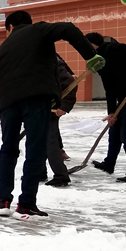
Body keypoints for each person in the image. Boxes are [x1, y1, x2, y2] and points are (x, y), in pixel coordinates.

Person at [0, 11, 102, 217]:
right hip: (35, 99)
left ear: (9, 27)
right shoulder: (37, 30)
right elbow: (68, 28)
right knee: (35, 150)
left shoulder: (2, 49)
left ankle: (3, 200)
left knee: (8, 150)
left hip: (7, 103)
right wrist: (90, 55)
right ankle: (26, 204)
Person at [85, 33, 126, 183]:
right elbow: (108, 88)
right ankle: (109, 164)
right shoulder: (98, 60)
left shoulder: (113, 48)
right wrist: (111, 112)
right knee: (114, 132)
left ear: (92, 44)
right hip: (122, 99)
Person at [44, 56, 77, 187]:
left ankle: (61, 176)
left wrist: (64, 106)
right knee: (36, 141)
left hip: (50, 108)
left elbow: (70, 82)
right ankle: (39, 172)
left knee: (50, 143)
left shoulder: (51, 61)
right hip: (39, 107)